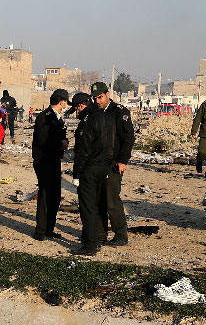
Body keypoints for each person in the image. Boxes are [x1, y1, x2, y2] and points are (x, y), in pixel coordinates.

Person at [71, 87, 116, 255]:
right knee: (99, 205)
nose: (76, 112)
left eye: (76, 108)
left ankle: (90, 245)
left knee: (88, 207)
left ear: (82, 105)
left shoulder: (88, 121)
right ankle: (97, 238)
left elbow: (83, 150)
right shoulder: (108, 117)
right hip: (105, 167)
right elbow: (113, 144)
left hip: (90, 168)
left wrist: (76, 174)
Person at [92, 81, 134, 247]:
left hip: (114, 162)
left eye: (100, 97)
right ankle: (100, 233)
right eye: (95, 98)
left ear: (107, 94)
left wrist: (123, 160)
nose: (97, 101)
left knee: (111, 199)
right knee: (98, 199)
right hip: (97, 162)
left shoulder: (119, 112)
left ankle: (121, 235)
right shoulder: (94, 111)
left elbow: (128, 138)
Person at [31, 89, 74, 241]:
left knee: (55, 196)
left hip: (54, 160)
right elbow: (42, 139)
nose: (66, 106)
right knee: (45, 196)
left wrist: (64, 142)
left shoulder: (58, 118)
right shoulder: (45, 117)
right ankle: (40, 231)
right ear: (61, 101)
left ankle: (49, 228)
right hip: (44, 160)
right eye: (65, 103)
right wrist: (59, 143)